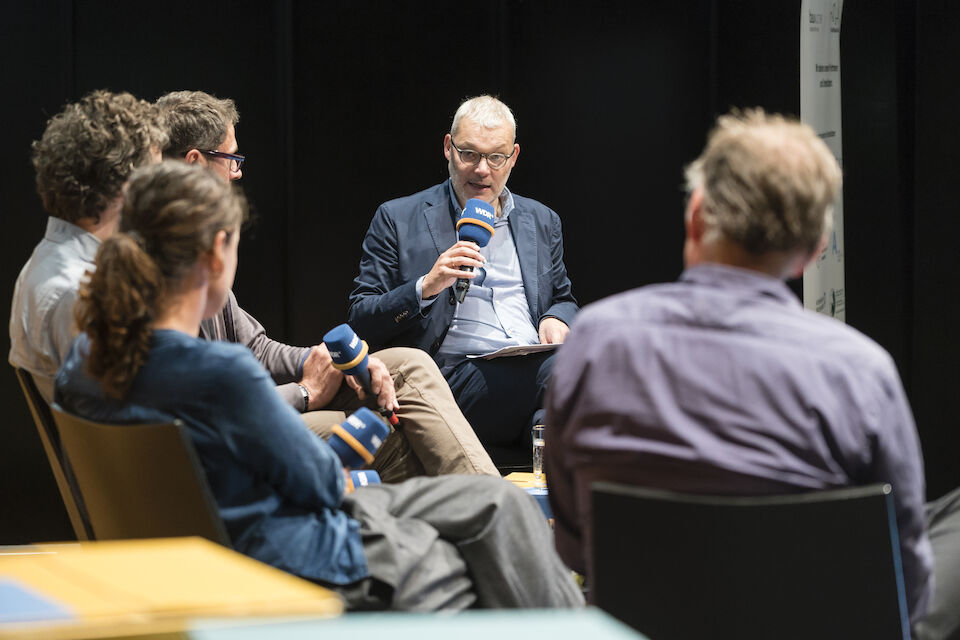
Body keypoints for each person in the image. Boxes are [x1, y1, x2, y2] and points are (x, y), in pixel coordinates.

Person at [55, 161, 583, 611]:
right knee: (494, 534)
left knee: (493, 503)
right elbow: (326, 488)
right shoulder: (221, 377)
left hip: (223, 544)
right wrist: (374, 419)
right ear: (217, 251)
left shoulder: (83, 363)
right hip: (304, 557)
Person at [545, 109, 960, 636]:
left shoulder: (593, 343)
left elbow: (575, 542)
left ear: (697, 214)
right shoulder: (858, 371)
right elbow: (907, 584)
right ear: (813, 251)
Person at [155, 90, 496, 480]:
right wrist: (301, 393)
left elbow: (256, 348)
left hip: (245, 420)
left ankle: (496, 513)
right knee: (396, 436)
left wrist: (331, 362)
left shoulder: (187, 255)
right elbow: (202, 412)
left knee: (408, 364)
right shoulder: (164, 275)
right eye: (232, 159)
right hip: (226, 448)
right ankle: (502, 516)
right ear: (195, 162)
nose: (238, 172)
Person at [348, 95, 578, 453]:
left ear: (513, 157)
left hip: (530, 366)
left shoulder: (542, 220)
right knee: (572, 367)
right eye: (469, 154)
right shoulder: (398, 218)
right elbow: (361, 318)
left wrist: (556, 318)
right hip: (448, 379)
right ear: (447, 148)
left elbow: (563, 298)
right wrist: (426, 286)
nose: (482, 169)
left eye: (495, 157)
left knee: (549, 417)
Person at [9, 90, 166, 402]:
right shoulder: (78, 290)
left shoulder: (45, 263)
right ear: (127, 184)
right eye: (156, 175)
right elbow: (146, 417)